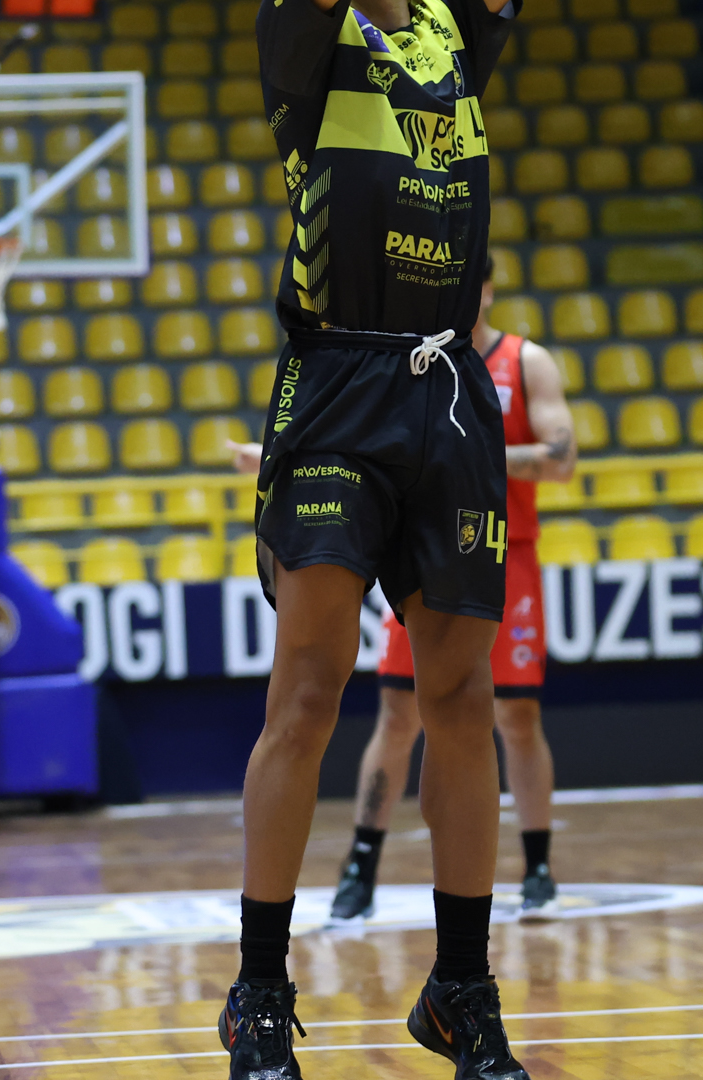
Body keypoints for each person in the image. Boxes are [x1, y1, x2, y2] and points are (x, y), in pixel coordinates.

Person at [222, 0, 553, 1080]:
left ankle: (461, 986)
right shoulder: (304, 49)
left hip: (446, 391)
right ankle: (260, 997)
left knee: (461, 693)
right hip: (338, 383)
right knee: (306, 690)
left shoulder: (457, 40)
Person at [238, 259, 578, 924]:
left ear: (483, 287)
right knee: (396, 716)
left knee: (515, 717)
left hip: (505, 550)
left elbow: (561, 458)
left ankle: (537, 866)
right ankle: (360, 865)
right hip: (421, 549)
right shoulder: (406, 361)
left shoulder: (524, 361)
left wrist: (465, 452)